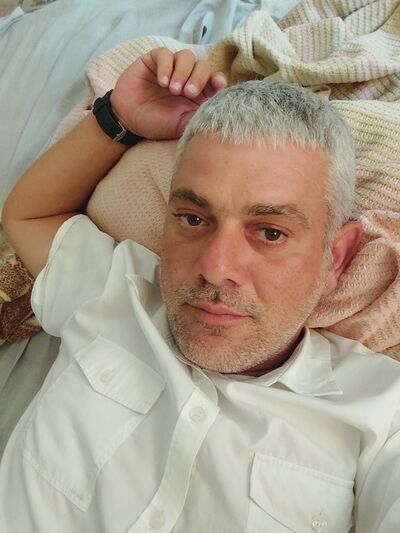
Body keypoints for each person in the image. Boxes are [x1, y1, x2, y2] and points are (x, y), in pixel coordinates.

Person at [0, 48, 399, 533]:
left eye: (270, 232)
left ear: (335, 257)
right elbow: (29, 215)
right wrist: (118, 116)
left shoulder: (381, 410)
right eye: (193, 219)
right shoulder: (118, 293)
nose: (216, 268)